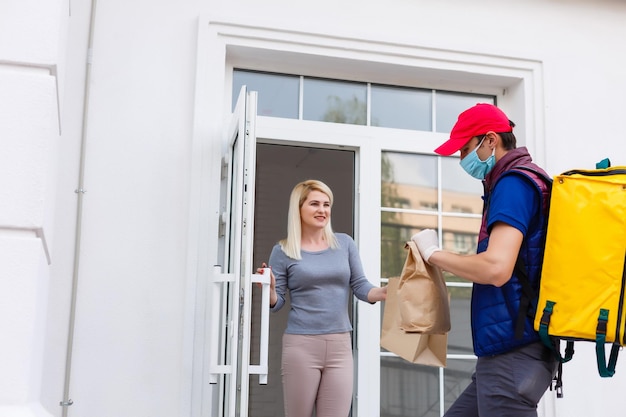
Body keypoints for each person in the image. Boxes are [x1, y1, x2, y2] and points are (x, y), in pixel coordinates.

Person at [412, 103, 558, 417]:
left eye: (465, 149)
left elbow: (496, 268)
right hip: (507, 351)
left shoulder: (513, 184)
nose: (461, 158)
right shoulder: (514, 182)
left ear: (491, 140)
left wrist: (434, 254)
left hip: (514, 353)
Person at [257, 179, 386, 417]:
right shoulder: (283, 251)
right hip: (301, 346)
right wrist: (271, 289)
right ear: (299, 208)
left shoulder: (345, 243)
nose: (322, 210)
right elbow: (277, 303)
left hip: (339, 345)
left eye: (327, 204)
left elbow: (360, 286)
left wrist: (386, 292)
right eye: (315, 204)